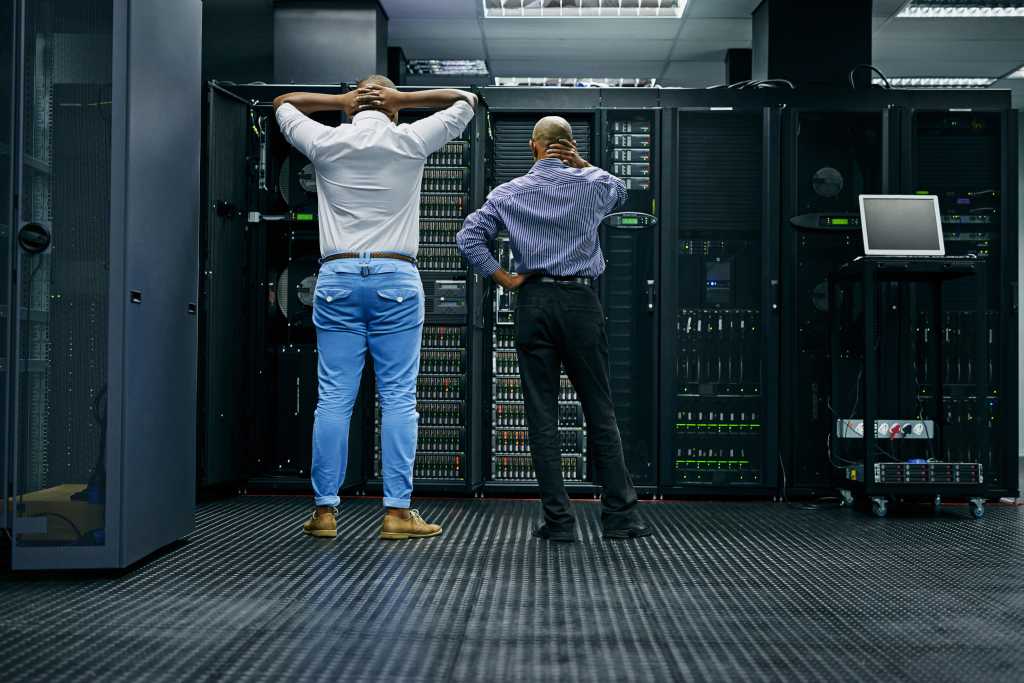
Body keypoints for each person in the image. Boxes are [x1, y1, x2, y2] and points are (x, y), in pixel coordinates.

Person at [273, 76, 477, 540]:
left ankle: (324, 513)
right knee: (399, 398)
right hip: (395, 278)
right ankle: (397, 513)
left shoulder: (325, 140)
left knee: (334, 399)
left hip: (337, 278)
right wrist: (403, 99)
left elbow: (283, 102)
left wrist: (339, 101)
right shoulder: (409, 139)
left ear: (351, 111)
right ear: (395, 110)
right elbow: (467, 102)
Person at [456, 116, 652, 542]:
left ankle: (559, 522)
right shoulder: (591, 185)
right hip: (581, 302)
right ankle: (621, 518)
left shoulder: (508, 193)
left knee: (541, 415)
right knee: (599, 409)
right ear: (568, 145)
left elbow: (469, 238)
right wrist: (582, 164)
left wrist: (504, 278)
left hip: (533, 302)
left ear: (533, 147)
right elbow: (621, 190)